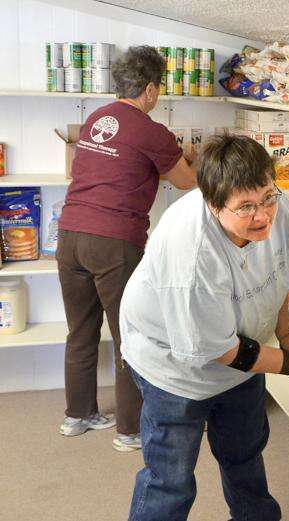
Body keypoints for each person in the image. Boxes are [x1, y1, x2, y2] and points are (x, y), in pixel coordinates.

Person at [119, 134, 289, 520]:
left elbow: (277, 276)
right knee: (171, 481)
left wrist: (286, 336)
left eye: (266, 198)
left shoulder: (279, 213)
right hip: (173, 367)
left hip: (245, 356)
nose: (262, 216)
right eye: (245, 207)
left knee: (244, 457)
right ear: (213, 206)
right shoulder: (192, 253)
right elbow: (219, 350)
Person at [56, 45, 197, 452]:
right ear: (150, 89)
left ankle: (77, 416)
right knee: (130, 336)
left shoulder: (96, 118)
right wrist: (188, 157)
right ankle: (129, 430)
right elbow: (186, 181)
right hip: (113, 241)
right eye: (160, 90)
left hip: (69, 236)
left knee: (80, 331)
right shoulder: (149, 129)